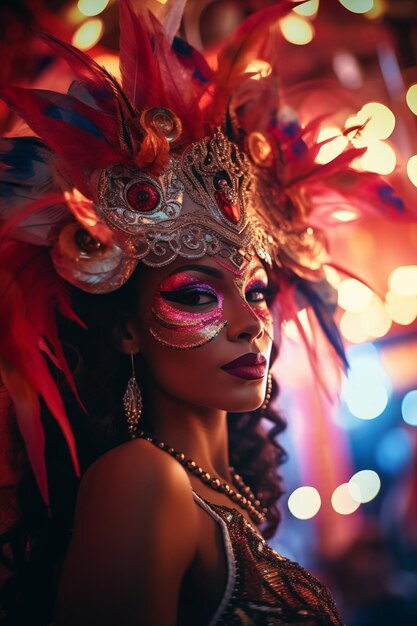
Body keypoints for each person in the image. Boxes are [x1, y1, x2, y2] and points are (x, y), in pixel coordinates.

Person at [0, 1, 405, 624]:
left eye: (258, 291)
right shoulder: (143, 479)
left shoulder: (224, 498)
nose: (251, 323)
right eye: (195, 294)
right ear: (128, 329)